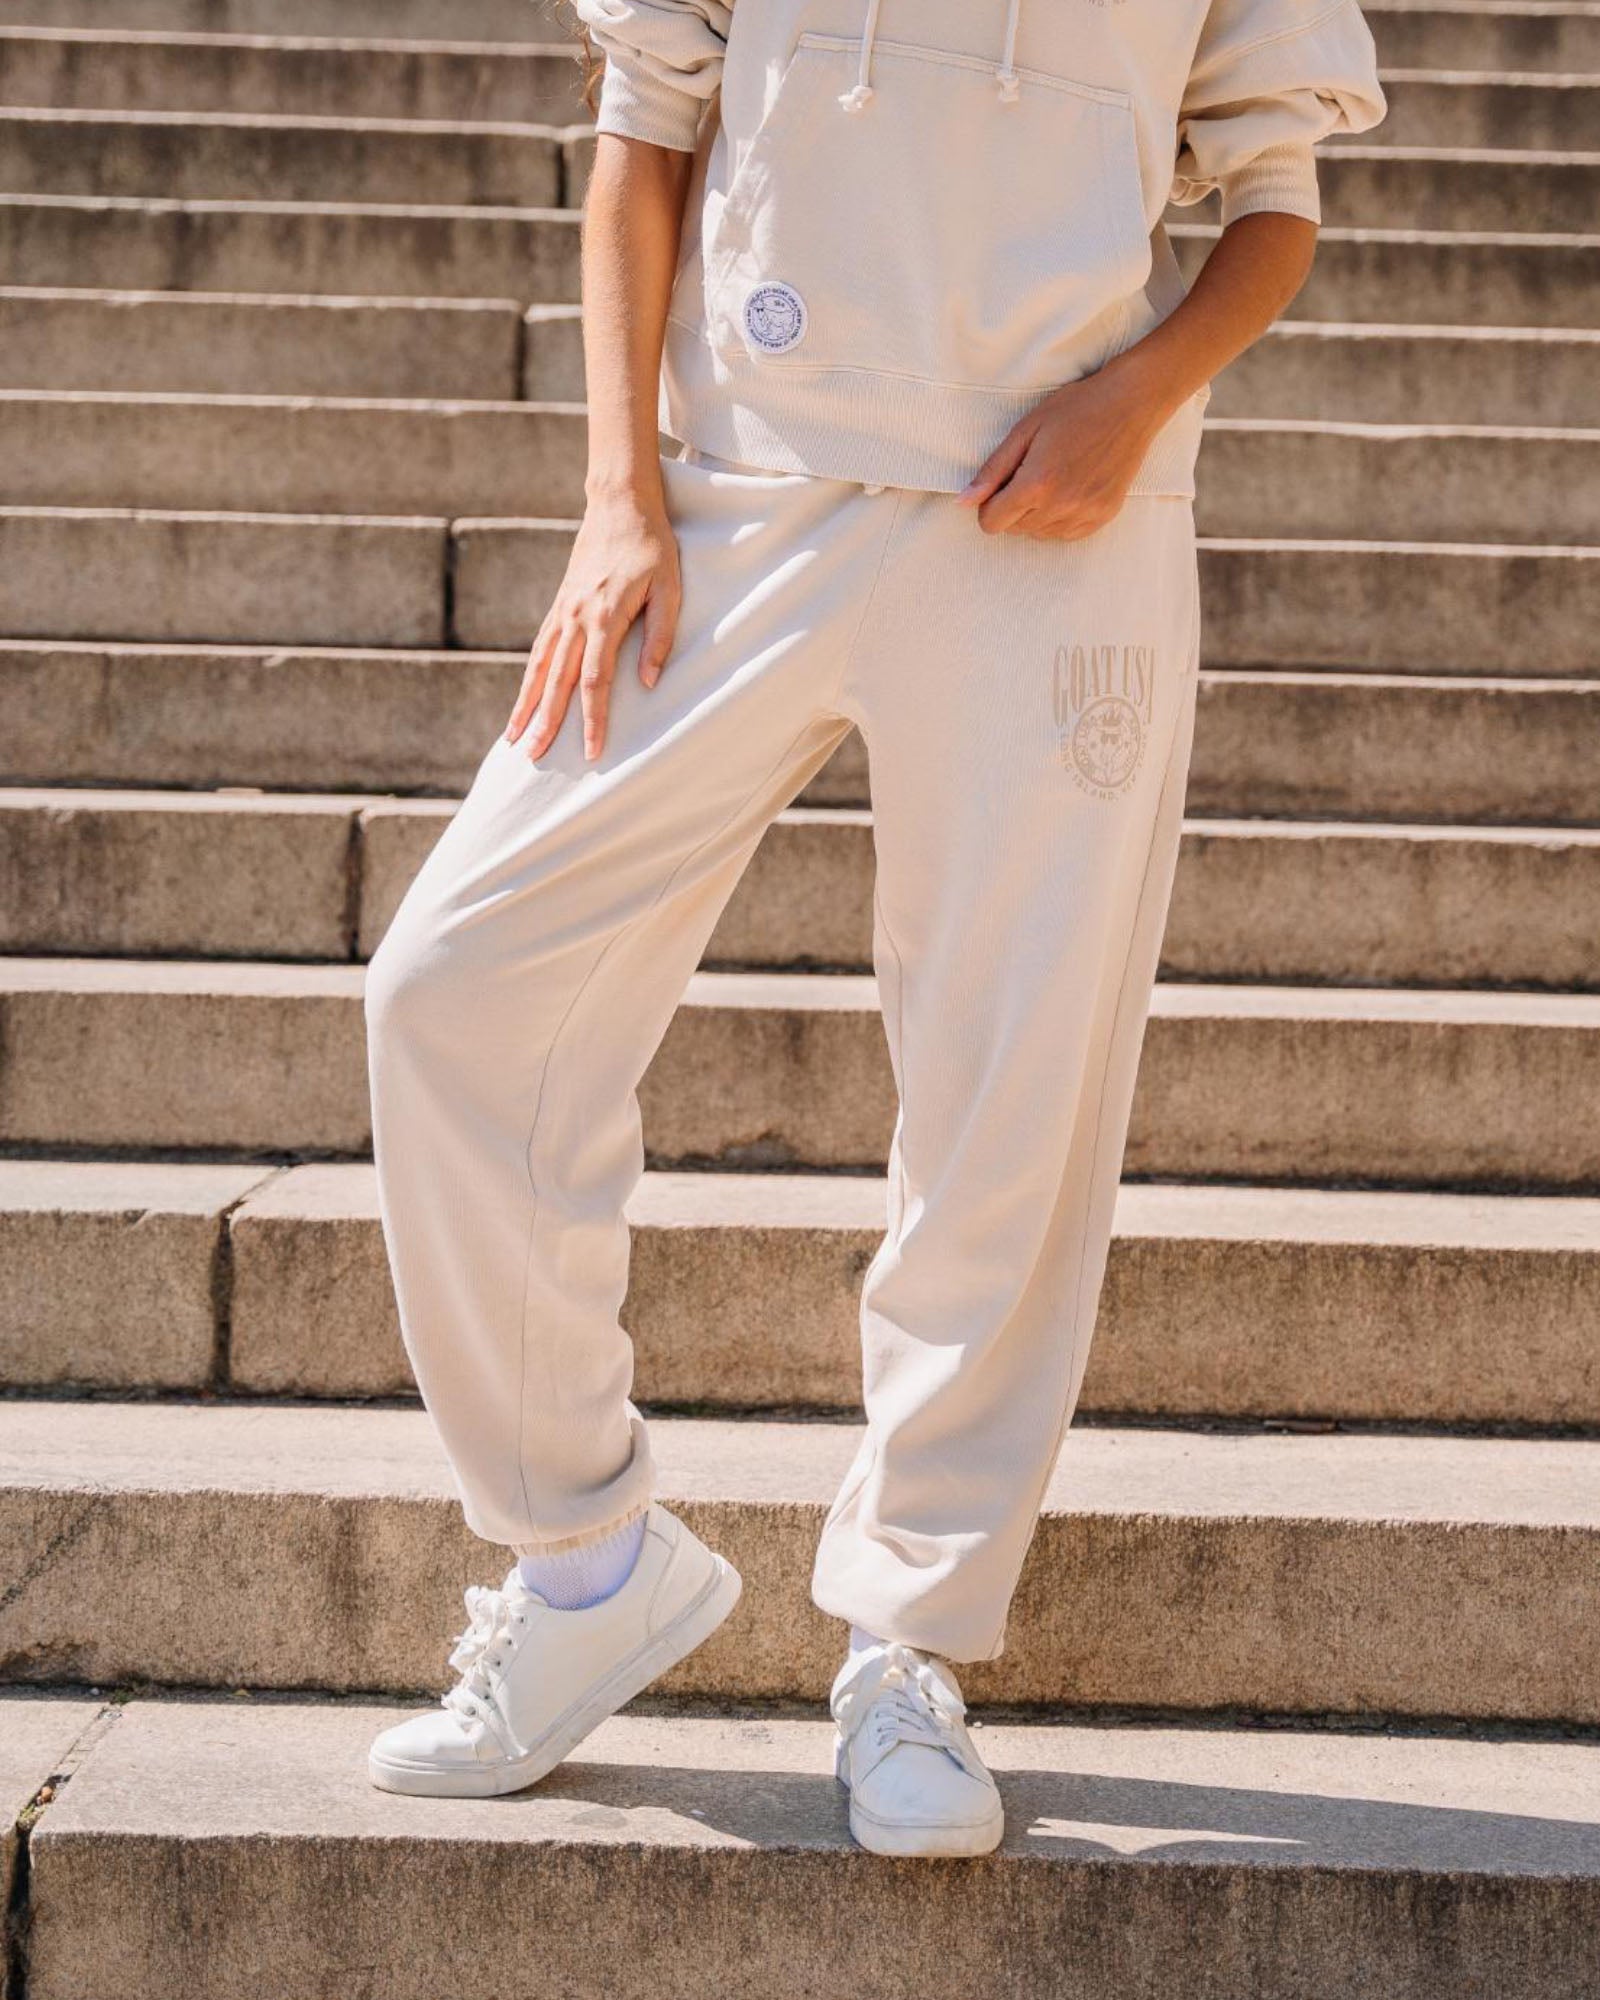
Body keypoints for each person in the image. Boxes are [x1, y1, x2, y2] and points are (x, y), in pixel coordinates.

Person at [362, 0, 1386, 1856]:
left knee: (1010, 1101)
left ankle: (906, 1651)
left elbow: (1274, 200)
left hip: (1057, 520)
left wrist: (1136, 395)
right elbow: (645, 121)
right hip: (739, 492)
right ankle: (588, 1567)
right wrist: (619, 494)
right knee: (454, 991)